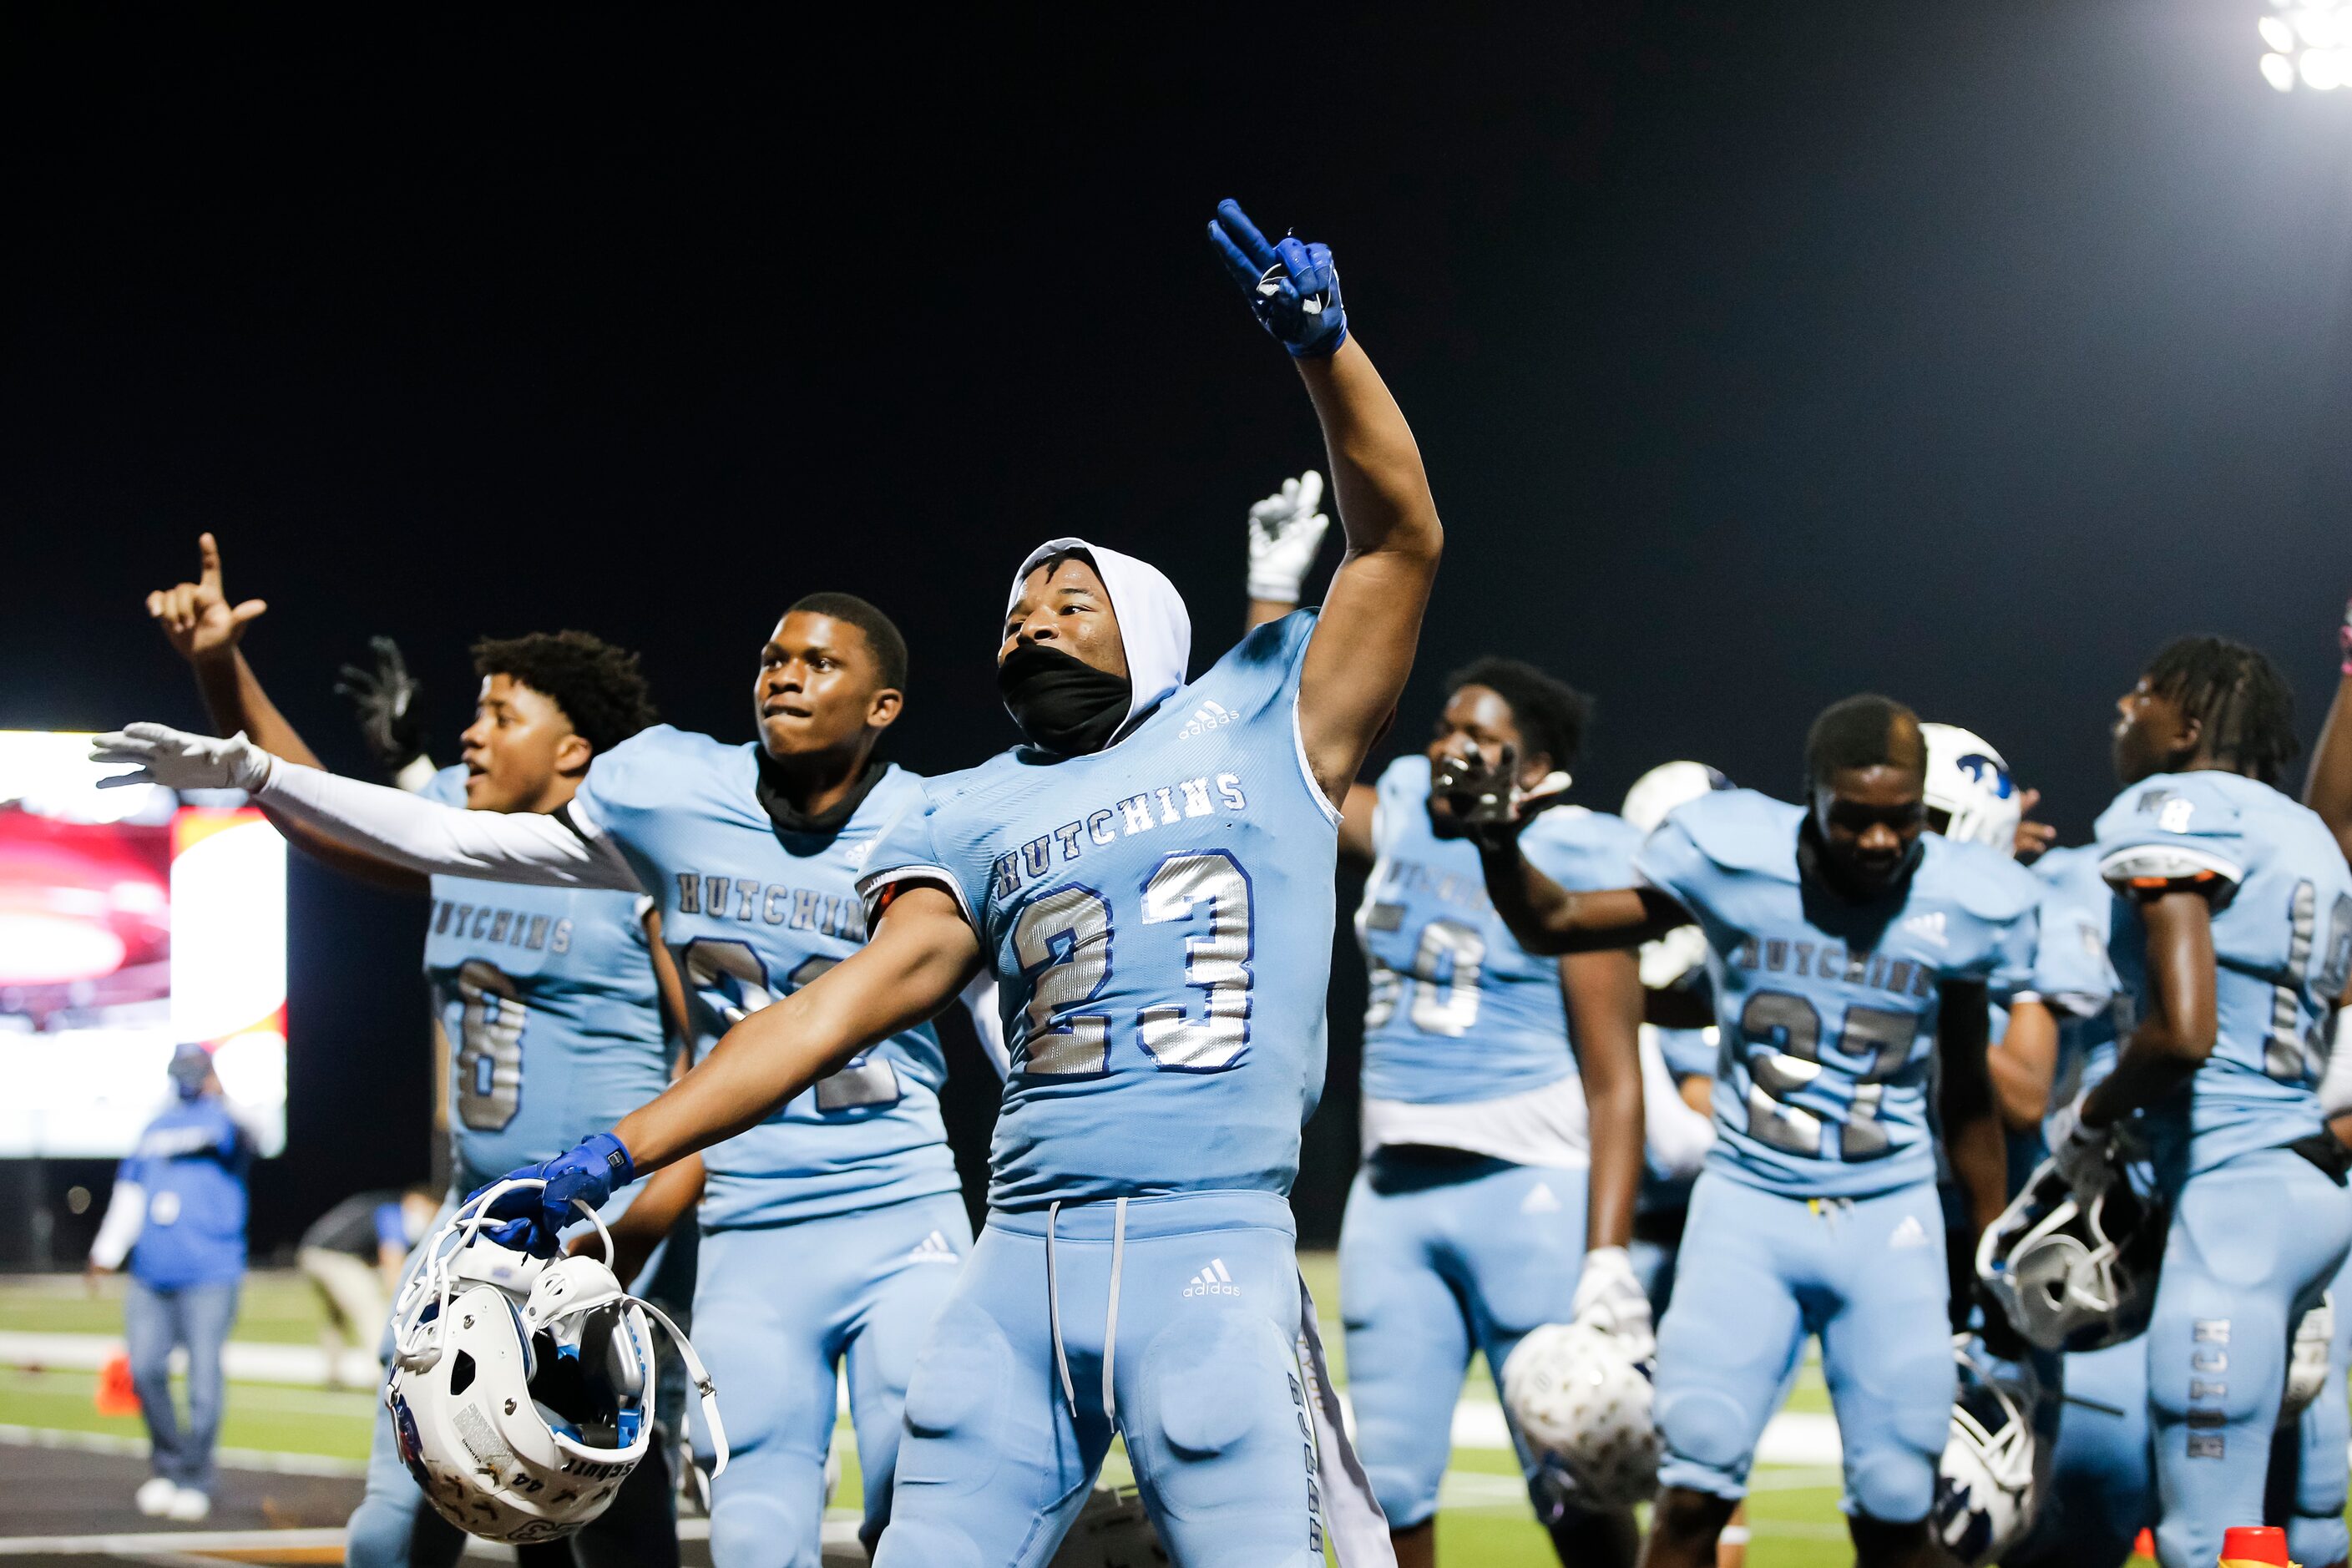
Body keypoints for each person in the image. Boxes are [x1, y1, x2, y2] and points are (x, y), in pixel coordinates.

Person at [97, 194, 1440, 1566]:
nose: (1031, 612)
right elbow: (816, 1014)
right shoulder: (974, 810)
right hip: (1013, 1263)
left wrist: (1322, 354)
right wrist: (610, 1154)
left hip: (1202, 1245)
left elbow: (1394, 539)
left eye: (1068, 595)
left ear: (1150, 627)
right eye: (1016, 604)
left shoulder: (1263, 719)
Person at [138, 536, 682, 1568]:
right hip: (473, 1233)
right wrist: (219, 665)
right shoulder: (453, 830)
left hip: (602, 1246)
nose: (470, 736)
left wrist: (621, 1249)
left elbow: (713, 1070)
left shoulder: (633, 857)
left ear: (574, 753)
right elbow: (308, 804)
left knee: (607, 1533)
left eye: (499, 717)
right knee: (394, 1528)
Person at [1452, 693, 2040, 1568]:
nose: (1882, 844)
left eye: (1902, 822)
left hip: (1890, 1218)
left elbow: (1965, 1099)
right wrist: (1497, 845)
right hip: (1751, 1211)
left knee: (1896, 1504)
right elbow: (1559, 922)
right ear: (1813, 800)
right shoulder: (1737, 859)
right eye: (1857, 821)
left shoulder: (1963, 898)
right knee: (1692, 1492)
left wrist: (1994, 1255)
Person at [1245, 471, 1649, 1565]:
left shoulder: (1578, 852)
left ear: (1540, 763)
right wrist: (1275, 598)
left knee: (1574, 1464)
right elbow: (1288, 757)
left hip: (1528, 1186)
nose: (1451, 748)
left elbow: (1616, 1077)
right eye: (1445, 727)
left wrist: (1606, 1254)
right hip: (1392, 1193)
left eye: (1480, 734)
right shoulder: (1411, 821)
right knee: (1389, 1477)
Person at [2056, 635, 2352, 1568]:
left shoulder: (2173, 810)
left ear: (2188, 727)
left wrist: (2093, 1116)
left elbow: (2184, 1032)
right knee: (2303, 1521)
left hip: (2233, 1196)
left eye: (2143, 696)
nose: (2123, 711)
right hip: (2309, 1188)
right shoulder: (2307, 837)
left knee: (2202, 1531)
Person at [86, 1044, 257, 1522]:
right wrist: (106, 1252)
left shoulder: (225, 1120)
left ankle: (195, 1476)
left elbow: (257, 1132)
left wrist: (222, 1092)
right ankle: (167, 1467)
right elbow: (130, 1192)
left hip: (210, 1271)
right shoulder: (154, 1127)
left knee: (203, 1380)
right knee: (144, 1370)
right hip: (150, 1272)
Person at [295, 1186, 432, 1388]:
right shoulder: (392, 1212)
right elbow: (392, 1260)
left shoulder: (376, 1205)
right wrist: (402, 1299)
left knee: (335, 1317)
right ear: (413, 1199)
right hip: (335, 1257)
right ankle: (380, 1375)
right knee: (372, 1310)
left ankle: (333, 1374)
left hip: (309, 1253)